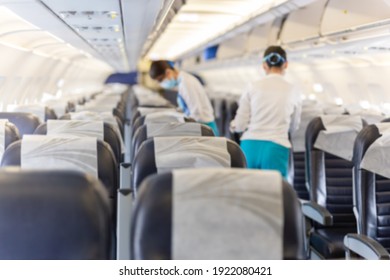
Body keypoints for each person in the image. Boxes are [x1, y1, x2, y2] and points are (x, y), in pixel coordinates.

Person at [230, 46, 301, 178]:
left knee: (248, 193)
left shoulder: (252, 86)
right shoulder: (293, 90)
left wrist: (233, 126)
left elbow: (240, 124)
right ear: (286, 65)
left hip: (249, 146)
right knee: (273, 195)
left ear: (264, 65)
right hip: (276, 147)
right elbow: (294, 126)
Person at [149, 60, 219, 136]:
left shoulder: (186, 83)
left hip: (205, 128)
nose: (161, 84)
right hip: (200, 126)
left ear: (168, 72)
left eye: (160, 80)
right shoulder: (182, 81)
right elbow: (188, 108)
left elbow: (196, 112)